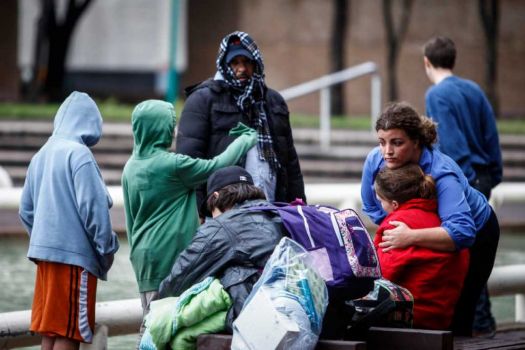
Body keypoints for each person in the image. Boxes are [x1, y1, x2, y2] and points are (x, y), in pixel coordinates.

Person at [121, 100, 257, 345]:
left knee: (151, 320)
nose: (174, 131)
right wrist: (245, 140)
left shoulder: (131, 167)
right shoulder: (171, 166)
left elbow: (131, 219)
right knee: (165, 326)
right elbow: (217, 166)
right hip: (170, 253)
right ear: (158, 129)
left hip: (143, 258)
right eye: (170, 125)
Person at [361, 101, 500, 336]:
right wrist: (406, 222)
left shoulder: (442, 171)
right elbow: (371, 206)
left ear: (416, 142)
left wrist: (410, 235)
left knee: (459, 313)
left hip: (477, 232)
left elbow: (462, 232)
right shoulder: (376, 160)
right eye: (382, 142)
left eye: (397, 143)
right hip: (428, 229)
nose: (387, 152)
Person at [19, 91, 120, 350]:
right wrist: (107, 249)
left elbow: (25, 210)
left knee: (51, 330)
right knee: (70, 330)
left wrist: (44, 240)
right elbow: (93, 210)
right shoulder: (80, 155)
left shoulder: (41, 154)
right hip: (75, 260)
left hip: (45, 259)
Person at [175, 30, 306, 217]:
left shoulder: (274, 102)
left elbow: (291, 165)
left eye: (247, 62)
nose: (241, 68)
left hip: (273, 208)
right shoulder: (202, 100)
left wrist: (299, 211)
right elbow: (189, 164)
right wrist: (200, 213)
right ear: (224, 65)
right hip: (223, 211)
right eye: (234, 62)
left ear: (256, 63)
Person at [423, 36, 502, 336]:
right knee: (480, 254)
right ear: (453, 59)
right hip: (484, 178)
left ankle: (479, 327)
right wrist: (492, 176)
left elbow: (452, 148)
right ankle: (485, 324)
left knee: (467, 256)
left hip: (464, 182)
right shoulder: (474, 89)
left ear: (427, 63)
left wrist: (460, 184)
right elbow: (491, 136)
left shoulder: (437, 95)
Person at [158, 165, 285, 331]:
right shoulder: (278, 215)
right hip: (294, 308)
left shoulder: (221, 227)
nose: (213, 218)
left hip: (257, 323)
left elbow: (177, 281)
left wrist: (155, 302)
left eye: (211, 212)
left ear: (216, 197)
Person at [374, 163, 469, 330]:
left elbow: (381, 275)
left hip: (411, 319)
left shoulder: (396, 225)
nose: (380, 205)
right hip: (442, 319)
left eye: (381, 200)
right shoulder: (444, 221)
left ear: (394, 204)